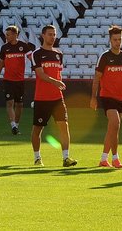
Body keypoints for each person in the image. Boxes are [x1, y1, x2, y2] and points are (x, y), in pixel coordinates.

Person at [90, 25, 122, 168]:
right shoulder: (105, 57)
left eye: (119, 39)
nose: (117, 42)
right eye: (115, 39)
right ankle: (115, 158)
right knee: (115, 123)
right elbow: (97, 78)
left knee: (113, 129)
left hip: (121, 97)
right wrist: (93, 97)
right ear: (110, 40)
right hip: (107, 96)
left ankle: (103, 158)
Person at [31, 24, 77, 167]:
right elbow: (40, 74)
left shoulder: (59, 54)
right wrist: (55, 82)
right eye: (50, 34)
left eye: (54, 34)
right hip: (42, 98)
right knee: (37, 129)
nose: (52, 37)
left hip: (57, 98)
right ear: (43, 35)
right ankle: (37, 158)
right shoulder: (36, 54)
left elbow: (58, 73)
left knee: (64, 126)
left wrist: (57, 83)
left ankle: (66, 158)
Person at [0, 25, 34, 135]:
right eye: (5, 35)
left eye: (8, 35)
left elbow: (31, 57)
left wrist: (35, 66)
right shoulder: (4, 48)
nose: (6, 37)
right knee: (10, 102)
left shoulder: (23, 46)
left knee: (19, 104)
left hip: (20, 81)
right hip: (8, 80)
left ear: (15, 34)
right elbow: (1, 63)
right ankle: (12, 125)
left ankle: (16, 125)